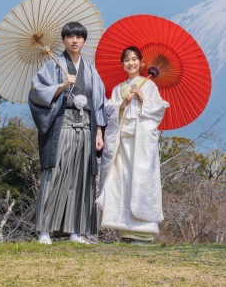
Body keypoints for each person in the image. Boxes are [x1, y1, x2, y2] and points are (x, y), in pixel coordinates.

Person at [28, 21, 107, 245]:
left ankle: (76, 230)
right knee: (55, 174)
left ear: (84, 40)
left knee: (81, 176)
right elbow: (36, 92)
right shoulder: (53, 66)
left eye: (79, 37)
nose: (74, 40)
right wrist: (61, 86)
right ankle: (45, 229)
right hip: (62, 124)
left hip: (86, 127)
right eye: (70, 36)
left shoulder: (91, 70)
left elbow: (99, 104)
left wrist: (99, 133)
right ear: (63, 40)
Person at [96, 46, 169, 243]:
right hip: (122, 140)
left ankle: (144, 228)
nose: (131, 63)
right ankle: (124, 228)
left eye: (135, 59)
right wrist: (122, 104)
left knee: (141, 180)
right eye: (127, 60)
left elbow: (158, 111)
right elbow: (109, 112)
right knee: (122, 181)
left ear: (142, 63)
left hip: (141, 142)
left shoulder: (149, 86)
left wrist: (143, 99)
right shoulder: (119, 88)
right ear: (123, 65)